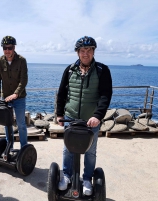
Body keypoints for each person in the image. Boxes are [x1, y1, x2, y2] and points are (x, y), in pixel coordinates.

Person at [56, 36, 113, 195]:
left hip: (91, 120)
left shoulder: (102, 70)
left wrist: (98, 115)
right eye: (82, 50)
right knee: (68, 149)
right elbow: (62, 93)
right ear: (78, 53)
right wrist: (60, 114)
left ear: (93, 51)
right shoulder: (69, 70)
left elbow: (105, 95)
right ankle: (66, 176)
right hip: (71, 117)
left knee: (90, 151)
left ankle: (87, 178)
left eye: (89, 50)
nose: (85, 53)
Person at [0, 35, 28, 151]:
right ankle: (9, 148)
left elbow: (24, 80)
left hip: (19, 98)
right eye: (5, 48)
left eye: (10, 48)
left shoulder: (22, 61)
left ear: (14, 48)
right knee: (7, 124)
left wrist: (16, 94)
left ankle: (24, 149)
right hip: (6, 98)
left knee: (21, 124)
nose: (7, 50)